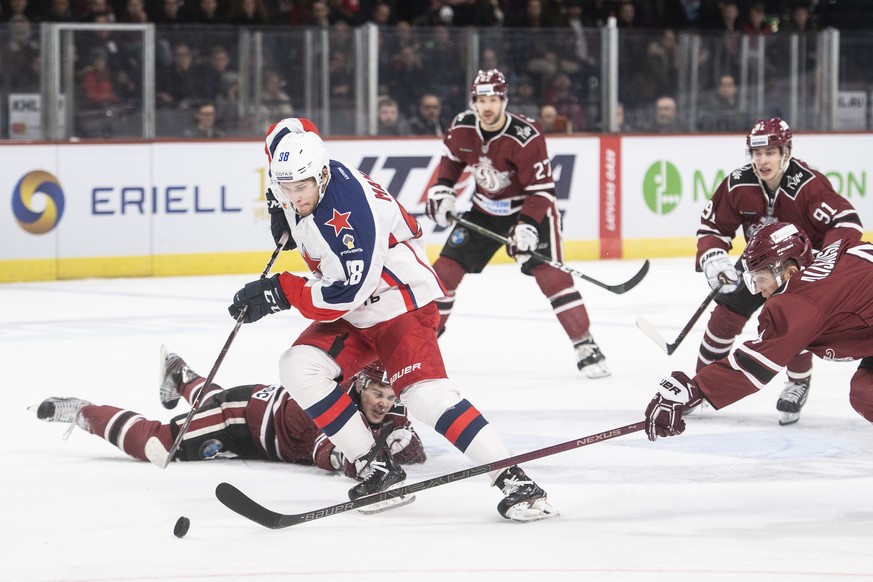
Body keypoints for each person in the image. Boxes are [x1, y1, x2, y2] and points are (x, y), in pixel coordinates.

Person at [222, 119, 557, 522]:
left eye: (301, 189)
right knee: (298, 366)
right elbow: (290, 127)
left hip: (400, 304)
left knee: (425, 397)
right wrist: (277, 204)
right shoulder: (298, 166)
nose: (295, 198)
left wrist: (281, 291)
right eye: (286, 188)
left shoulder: (350, 216)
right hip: (355, 310)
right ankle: (376, 466)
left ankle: (515, 481)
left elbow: (347, 292)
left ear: (323, 175)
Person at [425, 69, 610, 378]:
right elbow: (452, 161)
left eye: (494, 100)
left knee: (551, 277)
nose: (487, 106)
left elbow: (541, 191)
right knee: (442, 274)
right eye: (481, 100)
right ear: (473, 101)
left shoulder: (525, 135)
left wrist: (526, 227)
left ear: (504, 101)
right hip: (483, 210)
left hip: (528, 209)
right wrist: (443, 189)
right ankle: (423, 344)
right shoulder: (461, 127)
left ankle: (585, 344)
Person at [694, 118, 863, 425]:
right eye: (756, 153)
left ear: (786, 152)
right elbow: (713, 226)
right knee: (724, 316)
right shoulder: (737, 183)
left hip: (798, 269)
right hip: (757, 266)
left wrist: (825, 262)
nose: (762, 160)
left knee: (791, 325)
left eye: (770, 152)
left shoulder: (808, 186)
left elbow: (847, 223)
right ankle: (699, 384)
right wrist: (713, 255)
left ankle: (798, 381)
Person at [645, 222, 873, 441]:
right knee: (864, 393)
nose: (760, 290)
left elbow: (751, 367)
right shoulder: (835, 250)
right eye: (754, 280)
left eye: (762, 279)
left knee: (867, 395)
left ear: (790, 272)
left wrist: (694, 391)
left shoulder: (801, 301)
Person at [30, 348, 426, 474]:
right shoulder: (330, 403)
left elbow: (413, 451)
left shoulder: (389, 405)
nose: (383, 403)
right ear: (358, 385)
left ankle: (180, 374)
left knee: (210, 401)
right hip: (239, 420)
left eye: (390, 397)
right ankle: (83, 411)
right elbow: (330, 450)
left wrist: (402, 440)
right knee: (157, 444)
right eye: (377, 393)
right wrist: (359, 463)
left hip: (257, 412)